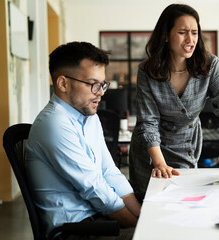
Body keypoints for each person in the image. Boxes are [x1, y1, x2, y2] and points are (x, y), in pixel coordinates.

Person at [128, 4, 219, 194]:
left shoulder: (209, 65)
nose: (190, 39)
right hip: (150, 154)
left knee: (184, 203)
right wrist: (160, 164)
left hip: (186, 146)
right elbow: (148, 122)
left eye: (195, 32)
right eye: (182, 32)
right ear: (165, 35)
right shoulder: (147, 71)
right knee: (149, 208)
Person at [25, 41, 140, 239]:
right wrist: (141, 227)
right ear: (63, 83)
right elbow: (94, 189)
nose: (101, 92)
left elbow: (109, 172)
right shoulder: (54, 123)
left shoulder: (89, 117)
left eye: (102, 84)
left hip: (99, 219)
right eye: (93, 84)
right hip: (75, 231)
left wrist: (142, 216)